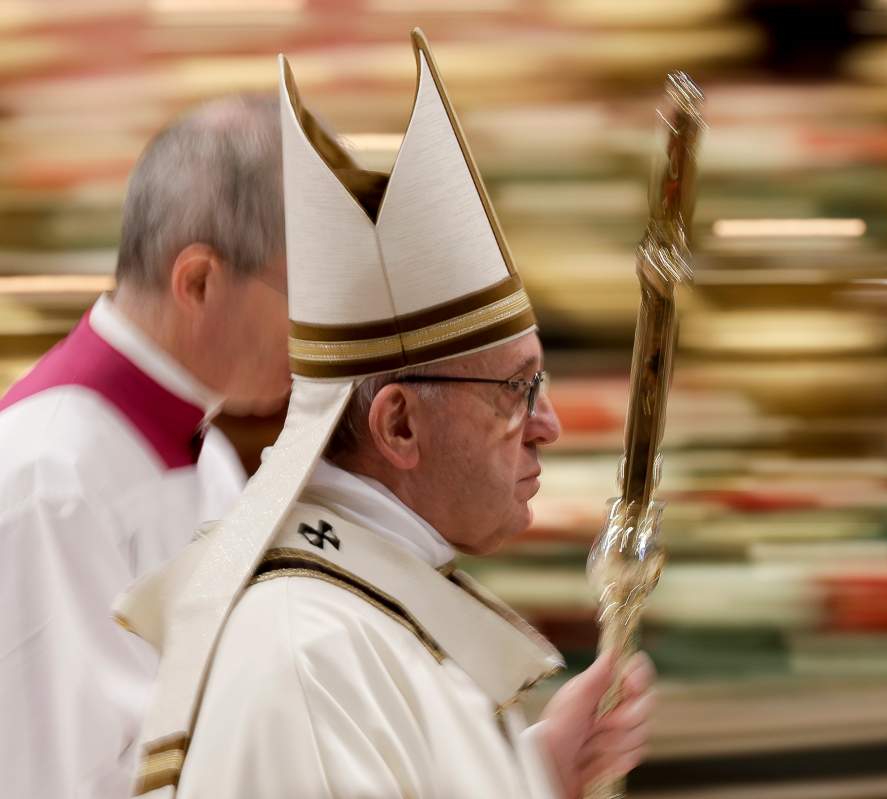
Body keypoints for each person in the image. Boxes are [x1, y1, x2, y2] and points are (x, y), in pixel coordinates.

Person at [118, 30, 653, 799]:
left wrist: (538, 775)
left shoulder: (372, 613)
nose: (549, 425)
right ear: (398, 425)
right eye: (517, 389)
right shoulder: (306, 651)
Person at [0, 95, 292, 799]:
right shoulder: (48, 476)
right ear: (197, 281)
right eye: (302, 291)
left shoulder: (208, 450)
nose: (321, 329)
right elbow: (56, 779)